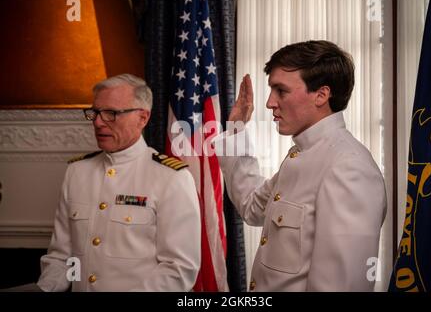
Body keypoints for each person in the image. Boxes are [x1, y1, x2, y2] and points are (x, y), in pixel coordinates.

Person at [216, 40, 387, 291]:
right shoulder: (300, 155)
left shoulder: (349, 168)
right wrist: (235, 130)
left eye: (281, 90)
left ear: (321, 95)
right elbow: (252, 206)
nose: (269, 103)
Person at [36, 74, 201, 291]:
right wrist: (45, 288)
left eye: (111, 113)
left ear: (142, 118)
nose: (97, 122)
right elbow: (64, 258)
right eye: (95, 112)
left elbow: (179, 270)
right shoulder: (77, 173)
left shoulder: (171, 178)